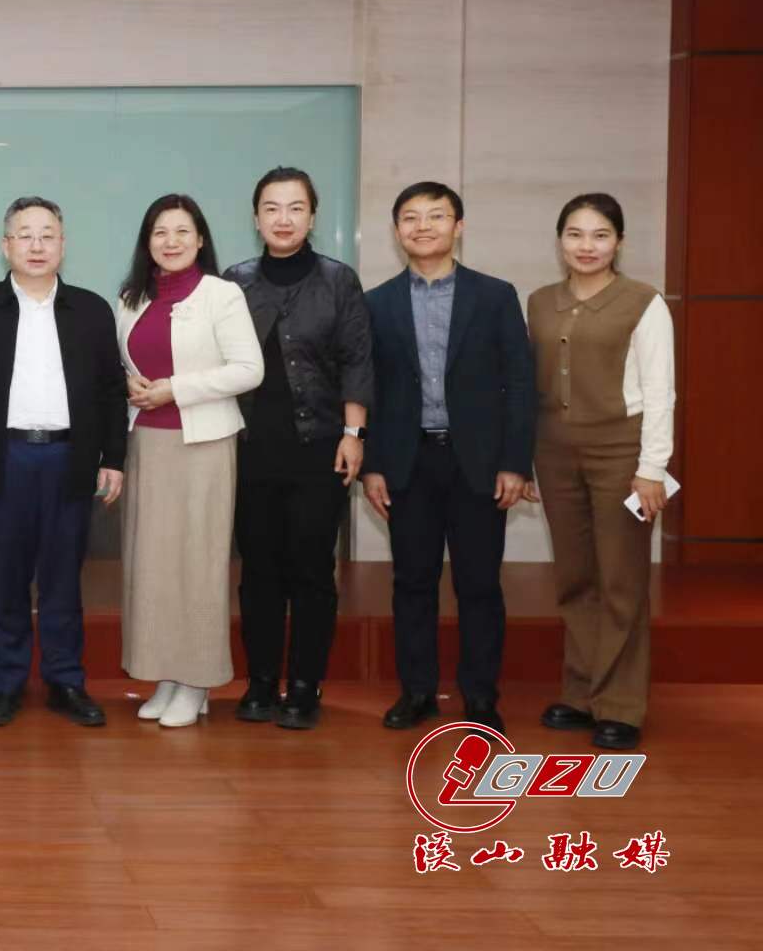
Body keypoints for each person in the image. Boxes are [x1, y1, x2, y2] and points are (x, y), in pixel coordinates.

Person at [362, 182, 534, 735]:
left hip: (478, 463)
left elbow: (520, 382)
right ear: (397, 231)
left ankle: (480, 696)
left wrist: (515, 462)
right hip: (407, 461)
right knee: (412, 582)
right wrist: (372, 465)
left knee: (478, 584)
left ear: (458, 227)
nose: (423, 227)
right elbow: (370, 390)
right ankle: (417, 692)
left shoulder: (495, 295)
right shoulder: (377, 302)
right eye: (411, 218)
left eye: (436, 216)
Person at [0, 197, 127, 729]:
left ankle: (65, 680)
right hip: (2, 458)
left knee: (63, 578)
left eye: (47, 235)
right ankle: (5, 684)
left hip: (69, 458)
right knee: (6, 578)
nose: (36, 245)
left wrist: (114, 458)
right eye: (25, 235)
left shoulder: (91, 310)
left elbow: (111, 391)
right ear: (5, 245)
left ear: (63, 244)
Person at [222, 168, 373, 730]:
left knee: (311, 569)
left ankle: (305, 684)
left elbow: (357, 360)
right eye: (271, 208)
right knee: (259, 569)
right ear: (256, 217)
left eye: (295, 208)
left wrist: (354, 434)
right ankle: (261, 680)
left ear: (312, 216)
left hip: (320, 448)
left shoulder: (338, 280)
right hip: (250, 448)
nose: (283, 219)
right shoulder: (234, 282)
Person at [524, 193, 673, 752]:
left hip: (622, 455)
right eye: (575, 234)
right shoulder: (540, 302)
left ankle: (621, 705)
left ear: (619, 242)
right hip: (554, 453)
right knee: (575, 577)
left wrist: (652, 467)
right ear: (559, 240)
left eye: (600, 235)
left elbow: (660, 392)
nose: (587, 246)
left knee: (620, 580)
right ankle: (582, 692)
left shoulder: (644, 302)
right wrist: (523, 459)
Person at [115, 194, 262, 730]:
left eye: (182, 231)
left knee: (197, 564)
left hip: (203, 443)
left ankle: (197, 678)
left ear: (200, 239)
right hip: (147, 444)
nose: (170, 241)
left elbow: (249, 369)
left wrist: (176, 388)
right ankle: (167, 676)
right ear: (147, 242)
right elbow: (122, 362)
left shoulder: (223, 295)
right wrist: (129, 382)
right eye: (160, 232)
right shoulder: (130, 297)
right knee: (153, 565)